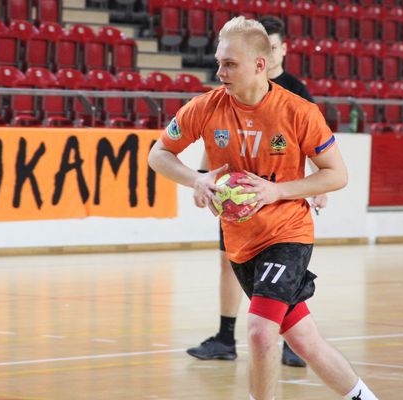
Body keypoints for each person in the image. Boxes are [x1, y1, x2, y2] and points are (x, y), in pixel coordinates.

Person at [149, 16, 378, 400]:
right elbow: (159, 154)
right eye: (219, 62)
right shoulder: (205, 107)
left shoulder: (299, 111)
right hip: (241, 241)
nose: (220, 72)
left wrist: (277, 191)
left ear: (259, 64)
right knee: (305, 340)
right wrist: (196, 179)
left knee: (259, 331)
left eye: (230, 64)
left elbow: (336, 175)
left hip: (287, 234)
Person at [186, 15, 327, 368]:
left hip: (280, 210)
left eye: (276, 47)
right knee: (227, 263)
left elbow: (314, 146)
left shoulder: (294, 94)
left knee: (278, 283)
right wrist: (201, 178)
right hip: (235, 200)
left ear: (277, 52)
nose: (273, 53)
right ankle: (225, 336)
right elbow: (215, 139)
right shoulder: (228, 92)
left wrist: (316, 185)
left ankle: (292, 338)